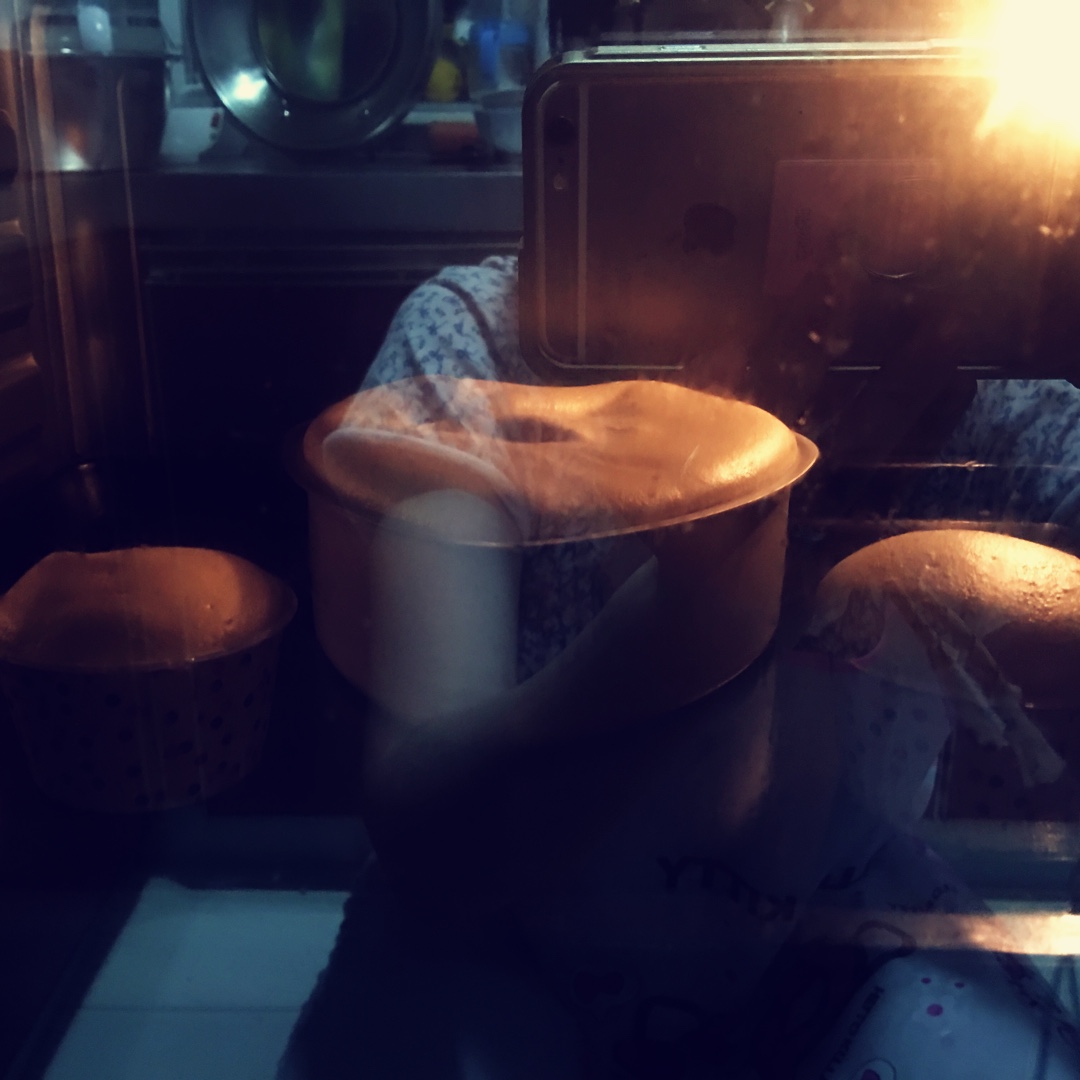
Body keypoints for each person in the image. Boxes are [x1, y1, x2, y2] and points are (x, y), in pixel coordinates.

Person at [278, 255, 1080, 1079]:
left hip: (832, 929)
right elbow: (443, 846)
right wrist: (703, 584)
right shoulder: (485, 344)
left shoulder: (985, 383)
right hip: (501, 932)